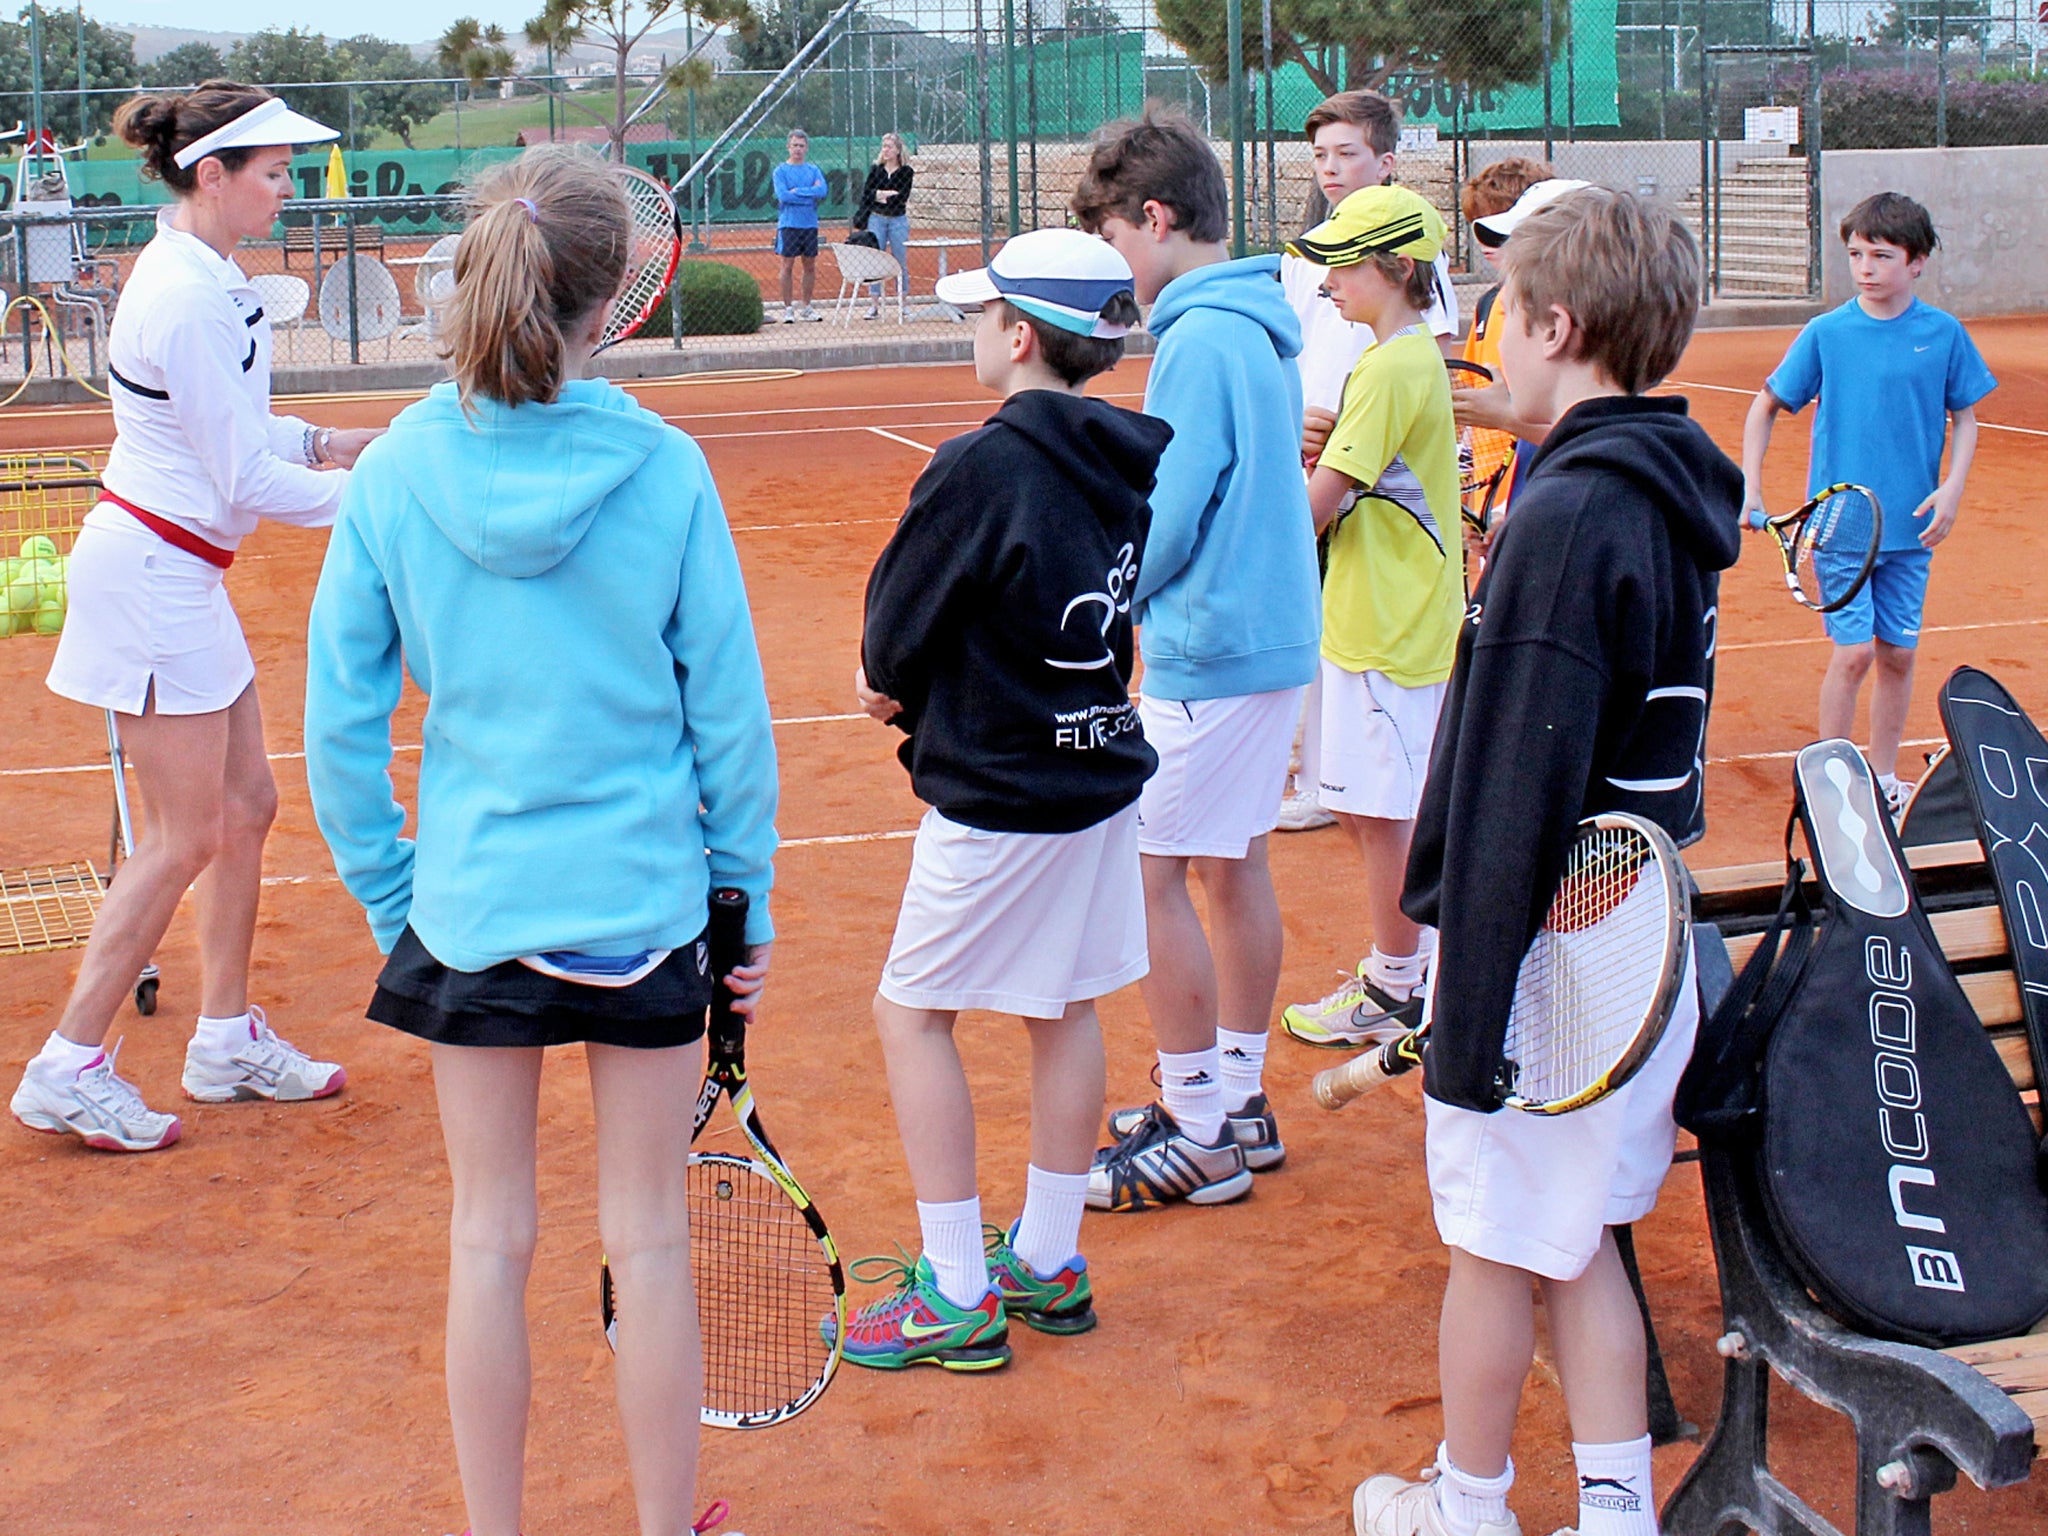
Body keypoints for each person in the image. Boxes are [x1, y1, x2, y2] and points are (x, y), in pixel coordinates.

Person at [302, 147, 778, 1536]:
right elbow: (728, 720)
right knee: (647, 1233)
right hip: (643, 910)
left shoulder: (395, 469)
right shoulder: (666, 467)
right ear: (610, 298)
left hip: (469, 913)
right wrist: (741, 910)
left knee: (487, 1237)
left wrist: (400, 899)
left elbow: (341, 723)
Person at [1349, 187, 1741, 1536]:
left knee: (1494, 1251)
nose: (1489, 340)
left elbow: (1517, 787)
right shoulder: (1660, 492)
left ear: (1559, 323)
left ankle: (1467, 1506)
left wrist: (1467, 1029)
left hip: (1551, 961)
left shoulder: (1570, 516)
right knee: (1576, 1256)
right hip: (1628, 946)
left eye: (1504, 311)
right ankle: (1617, 1512)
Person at [9, 81, 377, 1154]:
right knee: (177, 840)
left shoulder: (210, 277)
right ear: (210, 175)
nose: (286, 186)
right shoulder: (180, 293)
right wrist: (387, 493)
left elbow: (248, 431)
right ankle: (67, 1065)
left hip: (185, 574)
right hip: (154, 576)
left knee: (247, 805)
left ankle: (222, 1037)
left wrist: (332, 443)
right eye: (271, 171)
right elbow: (239, 474)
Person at [845, 229, 1167, 1368]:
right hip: (1093, 771)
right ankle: (1044, 1254)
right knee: (1061, 1004)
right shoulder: (1125, 455)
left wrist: (884, 686)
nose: (974, 328)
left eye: (984, 313)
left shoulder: (982, 463)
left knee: (910, 1014)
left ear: (1019, 335)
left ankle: (958, 1289)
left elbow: (893, 638)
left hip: (1002, 787)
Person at [1072, 109, 1322, 1210]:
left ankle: (1199, 1127)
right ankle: (1235, 1096)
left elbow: (1168, 511)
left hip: (1211, 648)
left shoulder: (1197, 337)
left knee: (1153, 873)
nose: (1113, 261)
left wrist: (1108, 587)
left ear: (1156, 218)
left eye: (1114, 235)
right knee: (1231, 865)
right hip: (1265, 639)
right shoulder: (1254, 324)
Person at [1276, 187, 1465, 1055]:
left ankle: (1399, 986)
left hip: (1389, 621)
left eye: (1344, 265)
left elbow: (1316, 506)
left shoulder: (1391, 365)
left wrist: (1268, 488)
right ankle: (1411, 967)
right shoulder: (1394, 356)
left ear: (1395, 268)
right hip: (1374, 613)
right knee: (1367, 811)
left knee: (1386, 816)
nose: (1326, 285)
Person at [1740, 191, 1996, 816]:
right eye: (1855, 254)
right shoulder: (1827, 333)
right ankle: (1832, 781)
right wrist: (1752, 486)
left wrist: (1952, 488)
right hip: (1842, 526)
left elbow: (1965, 418)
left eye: (1881, 255)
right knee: (1853, 653)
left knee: (1898, 654)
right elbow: (1766, 406)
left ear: (1917, 263)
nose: (1864, 267)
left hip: (1911, 527)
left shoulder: (1943, 334)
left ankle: (1882, 776)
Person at [1278, 90, 1460, 835]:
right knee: (1327, 633)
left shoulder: (1404, 335)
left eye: (1346, 152)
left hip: (1366, 490)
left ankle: (1403, 956)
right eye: (1320, 154)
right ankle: (1324, 771)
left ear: (1385, 162)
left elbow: (1433, 374)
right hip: (1332, 461)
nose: (1330, 167)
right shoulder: (1304, 259)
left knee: (1391, 809)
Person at [1448, 163, 1563, 548]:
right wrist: (1468, 504)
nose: (1484, 235)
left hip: (1539, 493)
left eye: (1498, 220)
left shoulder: (1554, 309)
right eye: (1477, 221)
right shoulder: (1486, 306)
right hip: (1493, 500)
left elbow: (1572, 428)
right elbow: (1470, 417)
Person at [854, 131, 913, 319]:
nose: (885, 150)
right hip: (876, 218)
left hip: (897, 220)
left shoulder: (906, 171)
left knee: (899, 259)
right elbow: (866, 195)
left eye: (889, 147)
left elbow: (901, 197)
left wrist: (880, 195)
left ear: (898, 150)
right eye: (884, 146)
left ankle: (903, 304)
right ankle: (874, 305)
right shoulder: (876, 169)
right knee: (875, 259)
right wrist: (884, 194)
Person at [774, 129, 828, 323]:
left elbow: (822, 191)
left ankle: (806, 307)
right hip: (789, 224)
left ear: (806, 148)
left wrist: (798, 192)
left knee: (810, 265)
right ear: (788, 147)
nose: (798, 149)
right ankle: (788, 309)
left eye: (801, 146)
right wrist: (808, 195)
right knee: (787, 265)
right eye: (795, 145)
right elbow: (783, 196)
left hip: (809, 224)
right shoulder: (780, 171)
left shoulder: (813, 170)